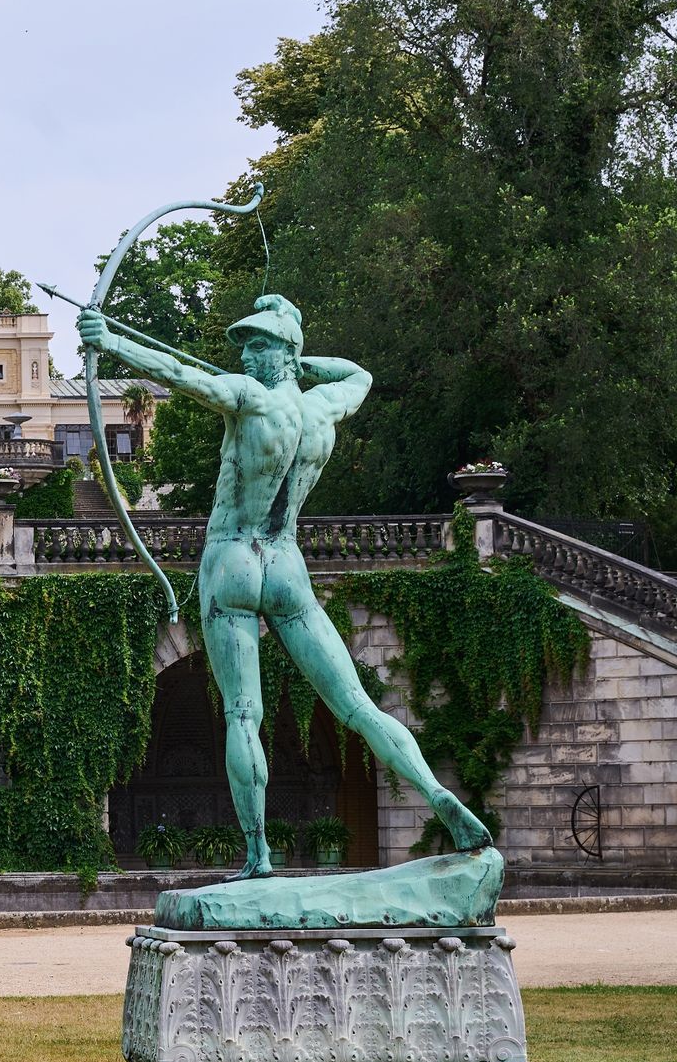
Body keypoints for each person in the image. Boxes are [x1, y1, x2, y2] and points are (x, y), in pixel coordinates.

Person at [78, 294, 490, 878]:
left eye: (260, 343)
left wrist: (110, 342)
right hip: (287, 565)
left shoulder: (248, 398)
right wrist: (296, 359)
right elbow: (358, 374)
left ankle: (257, 854)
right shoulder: (321, 409)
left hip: (233, 561)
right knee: (356, 706)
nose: (246, 353)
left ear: (284, 350)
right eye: (245, 343)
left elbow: (177, 373)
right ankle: (437, 796)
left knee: (245, 714)